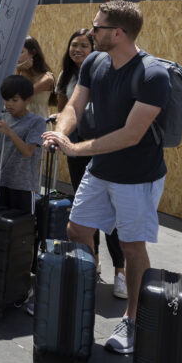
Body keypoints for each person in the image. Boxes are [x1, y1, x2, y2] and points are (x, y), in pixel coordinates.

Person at [42, 0, 170, 356]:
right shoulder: (96, 62)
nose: (89, 31)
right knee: (77, 229)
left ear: (118, 33)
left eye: (96, 27)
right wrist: (61, 134)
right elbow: (74, 106)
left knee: (131, 248)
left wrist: (76, 149)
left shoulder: (151, 75)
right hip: (101, 169)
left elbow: (132, 134)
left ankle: (133, 320)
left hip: (137, 175)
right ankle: (83, 294)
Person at [55, 29, 127, 299]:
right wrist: (61, 131)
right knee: (84, 209)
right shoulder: (66, 76)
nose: (77, 50)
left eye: (84, 45)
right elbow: (66, 108)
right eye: (73, 45)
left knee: (111, 213)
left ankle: (121, 272)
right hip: (76, 149)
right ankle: (92, 264)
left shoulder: (106, 71)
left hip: (104, 148)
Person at [0, 75, 45, 215]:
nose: (9, 104)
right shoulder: (1, 117)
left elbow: (28, 152)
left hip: (23, 185)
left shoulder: (36, 122)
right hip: (0, 181)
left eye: (15, 100)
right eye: (6, 99)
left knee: (21, 228)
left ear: (28, 100)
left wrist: (10, 132)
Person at [18, 36, 55, 118]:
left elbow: (21, 95)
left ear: (33, 53)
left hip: (39, 126)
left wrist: (18, 69)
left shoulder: (47, 78)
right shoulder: (19, 73)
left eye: (21, 52)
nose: (16, 55)